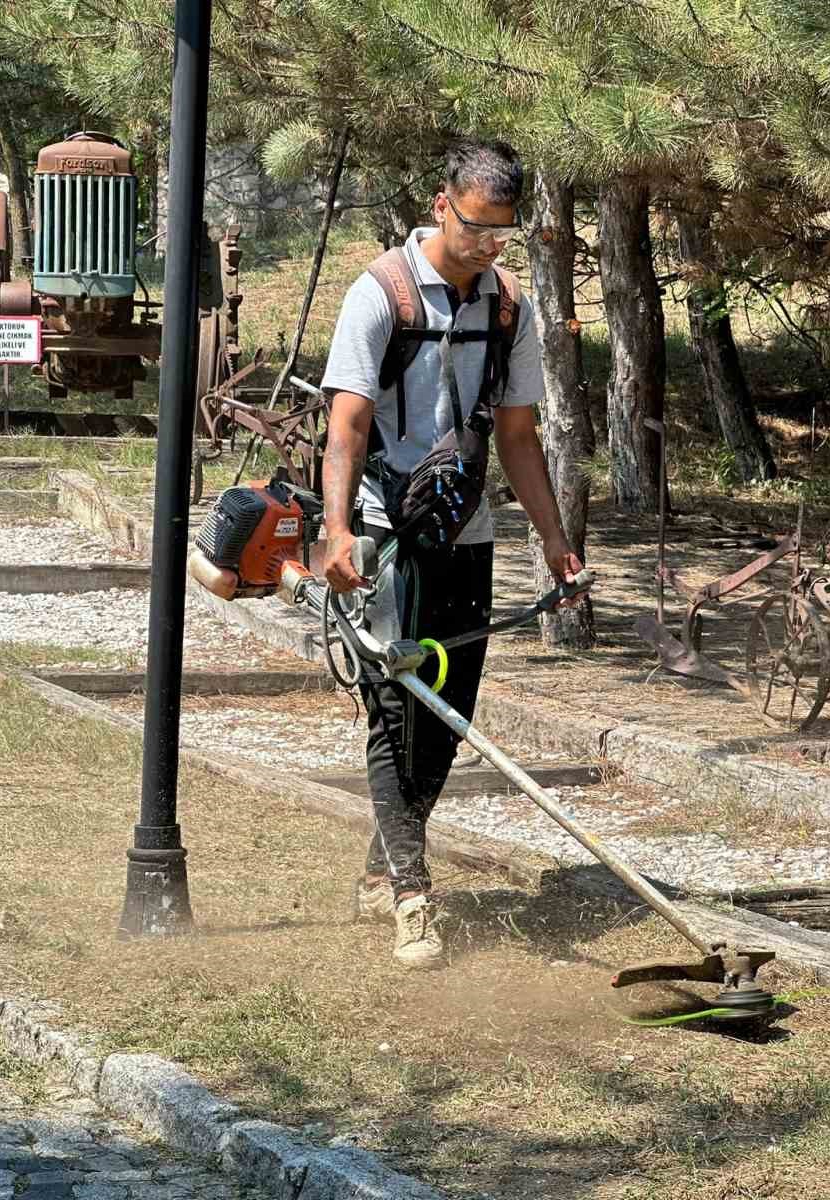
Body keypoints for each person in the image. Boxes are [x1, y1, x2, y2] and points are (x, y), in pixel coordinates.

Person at [315, 140, 585, 969]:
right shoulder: (379, 295)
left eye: (503, 233)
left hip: (466, 532)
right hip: (386, 534)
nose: (487, 247)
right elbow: (347, 427)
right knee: (397, 712)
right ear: (442, 206)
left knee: (449, 718)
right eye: (475, 229)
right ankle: (411, 896)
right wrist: (335, 532)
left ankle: (382, 860)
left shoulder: (509, 310)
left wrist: (552, 537)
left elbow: (518, 436)